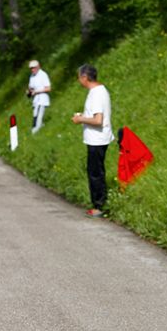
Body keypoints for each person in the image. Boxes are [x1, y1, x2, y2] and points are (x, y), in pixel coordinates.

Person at [71, 64, 114, 218]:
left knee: (95, 173)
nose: (78, 80)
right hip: (98, 138)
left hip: (97, 139)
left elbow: (98, 120)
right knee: (96, 171)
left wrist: (79, 119)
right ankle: (99, 203)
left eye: (79, 77)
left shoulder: (96, 93)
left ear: (85, 77)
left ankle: (99, 205)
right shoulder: (99, 91)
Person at [27, 60, 51, 133]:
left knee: (38, 116)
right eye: (31, 68)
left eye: (34, 68)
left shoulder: (43, 75)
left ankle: (35, 130)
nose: (32, 70)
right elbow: (31, 87)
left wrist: (36, 91)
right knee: (35, 115)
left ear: (38, 67)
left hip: (42, 99)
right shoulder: (32, 76)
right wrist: (29, 92)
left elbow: (48, 88)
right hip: (36, 100)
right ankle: (40, 128)